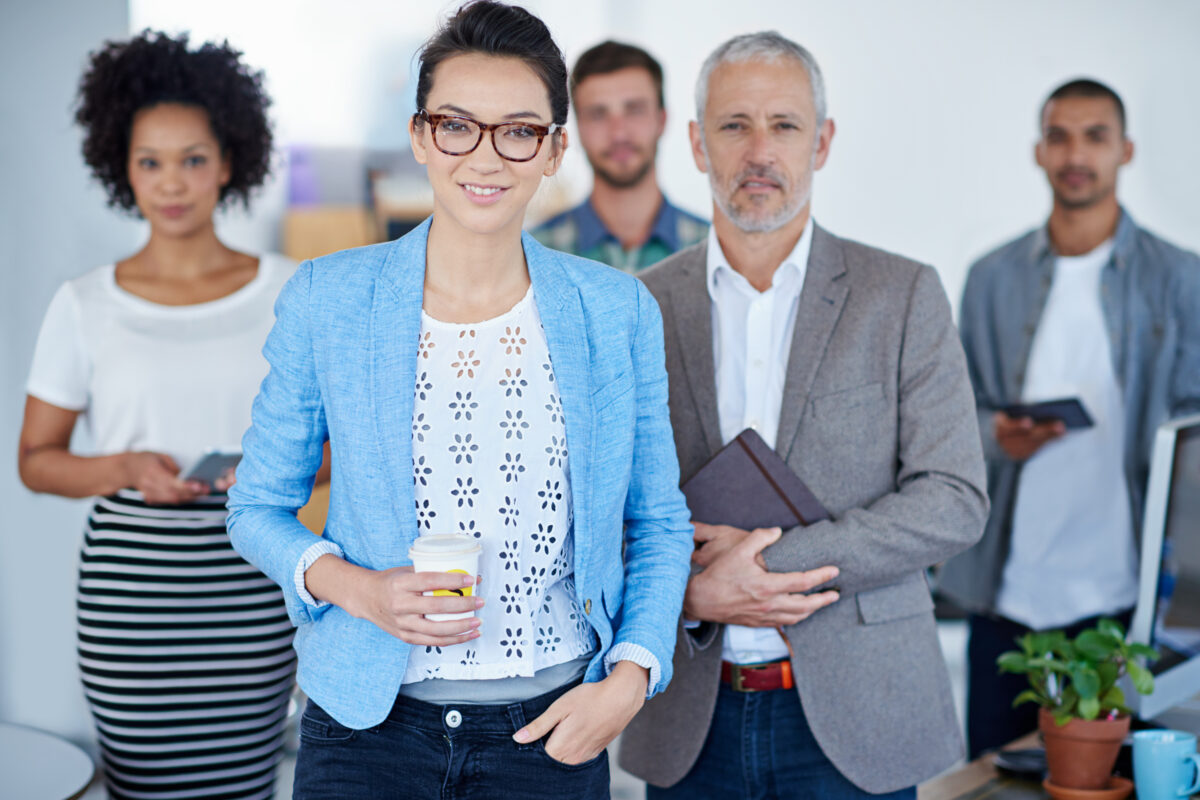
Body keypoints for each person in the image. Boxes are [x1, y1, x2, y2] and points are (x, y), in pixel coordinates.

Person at [225, 3, 693, 798]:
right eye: (457, 125)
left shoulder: (614, 311)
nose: (486, 155)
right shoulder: (329, 299)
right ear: (420, 136)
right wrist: (359, 588)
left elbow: (658, 522)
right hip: (365, 732)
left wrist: (631, 675)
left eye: (517, 130)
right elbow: (255, 507)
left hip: (551, 731)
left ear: (553, 150)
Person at [618, 31, 989, 798]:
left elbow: (953, 500)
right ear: (694, 143)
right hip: (692, 717)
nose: (760, 150)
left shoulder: (903, 296)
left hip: (861, 719)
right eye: (734, 125)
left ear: (821, 142)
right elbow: (603, 505)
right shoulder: (638, 308)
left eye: (784, 125)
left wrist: (756, 571)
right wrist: (689, 595)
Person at [18, 31, 299, 800]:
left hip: (252, 581)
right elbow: (36, 459)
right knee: (144, 788)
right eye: (150, 161)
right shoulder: (84, 304)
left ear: (231, 161)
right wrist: (125, 468)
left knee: (246, 783)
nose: (171, 183)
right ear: (123, 167)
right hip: (130, 597)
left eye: (193, 159)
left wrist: (267, 469)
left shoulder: (291, 291)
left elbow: (345, 446)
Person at [937, 78, 1200, 759]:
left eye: (1095, 136)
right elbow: (951, 410)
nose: (1075, 154)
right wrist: (996, 432)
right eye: (1059, 137)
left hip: (1126, 603)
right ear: (1038, 151)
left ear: (1126, 150)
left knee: (1112, 779)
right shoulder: (991, 275)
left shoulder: (1179, 277)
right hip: (1007, 594)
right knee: (993, 776)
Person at [532, 40, 707, 272]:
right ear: (578, 127)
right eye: (598, 114)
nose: (619, 133)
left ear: (661, 120)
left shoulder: (714, 251)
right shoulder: (534, 256)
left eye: (634, 110)